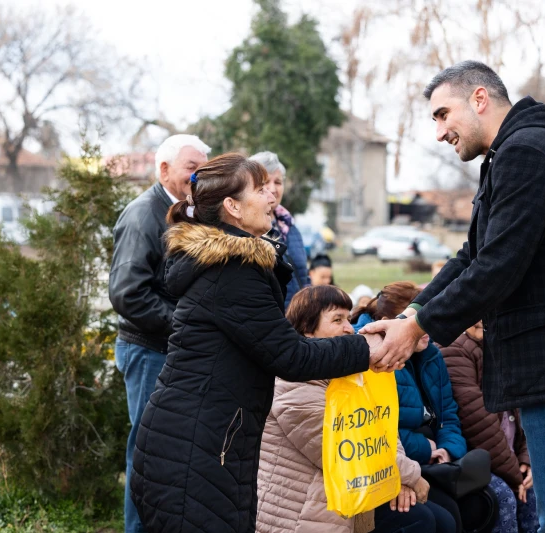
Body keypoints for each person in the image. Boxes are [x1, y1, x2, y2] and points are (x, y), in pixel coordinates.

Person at [360, 60, 545, 533]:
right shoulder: (513, 153)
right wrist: (412, 313)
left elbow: (497, 267)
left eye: (443, 114)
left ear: (479, 99)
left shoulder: (527, 152)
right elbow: (472, 255)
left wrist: (417, 329)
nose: (440, 131)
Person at [129, 153, 387, 533]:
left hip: (204, 440)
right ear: (232, 207)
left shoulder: (228, 264)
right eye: (261, 189)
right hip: (197, 447)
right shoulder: (233, 271)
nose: (272, 197)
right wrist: (367, 349)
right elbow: (290, 355)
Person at [256, 285, 452, 533]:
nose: (349, 328)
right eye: (337, 319)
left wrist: (398, 479)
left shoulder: (346, 373)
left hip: (354, 487)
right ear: (307, 330)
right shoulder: (292, 385)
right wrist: (407, 476)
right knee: (421, 521)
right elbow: (346, 450)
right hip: (306, 510)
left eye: (348, 319)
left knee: (447, 516)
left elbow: (383, 428)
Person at [109, 134, 210, 533]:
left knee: (172, 452)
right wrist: (185, 326)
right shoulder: (142, 214)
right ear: (164, 169)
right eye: (191, 167)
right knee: (148, 451)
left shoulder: (185, 212)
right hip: (148, 351)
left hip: (171, 348)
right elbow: (127, 293)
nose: (197, 176)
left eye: (202, 167)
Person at [352, 282, 468, 533]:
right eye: (416, 321)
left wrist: (447, 449)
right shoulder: (373, 358)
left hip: (434, 460)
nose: (425, 328)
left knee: (464, 509)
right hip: (401, 462)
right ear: (386, 322)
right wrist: (425, 450)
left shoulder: (432, 355)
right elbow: (376, 427)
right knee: (438, 520)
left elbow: (448, 413)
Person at [441, 321, 539, 533]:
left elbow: (524, 404)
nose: (481, 318)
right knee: (504, 497)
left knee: (537, 491)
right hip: (475, 458)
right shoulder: (454, 348)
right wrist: (514, 474)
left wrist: (527, 458)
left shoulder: (501, 342)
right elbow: (475, 420)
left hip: (508, 458)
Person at [249, 151, 310, 307]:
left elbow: (303, 276)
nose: (273, 189)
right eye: (265, 182)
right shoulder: (249, 227)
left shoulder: (290, 225)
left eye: (278, 182)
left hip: (301, 319)